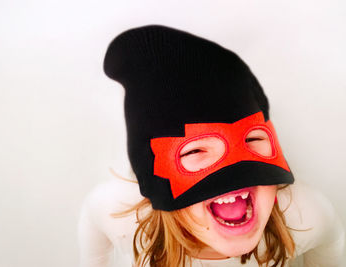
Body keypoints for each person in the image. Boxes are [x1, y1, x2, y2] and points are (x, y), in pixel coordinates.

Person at [78, 25, 345, 267]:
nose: (234, 172)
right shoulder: (114, 213)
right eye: (194, 150)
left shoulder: (308, 216)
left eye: (253, 139)